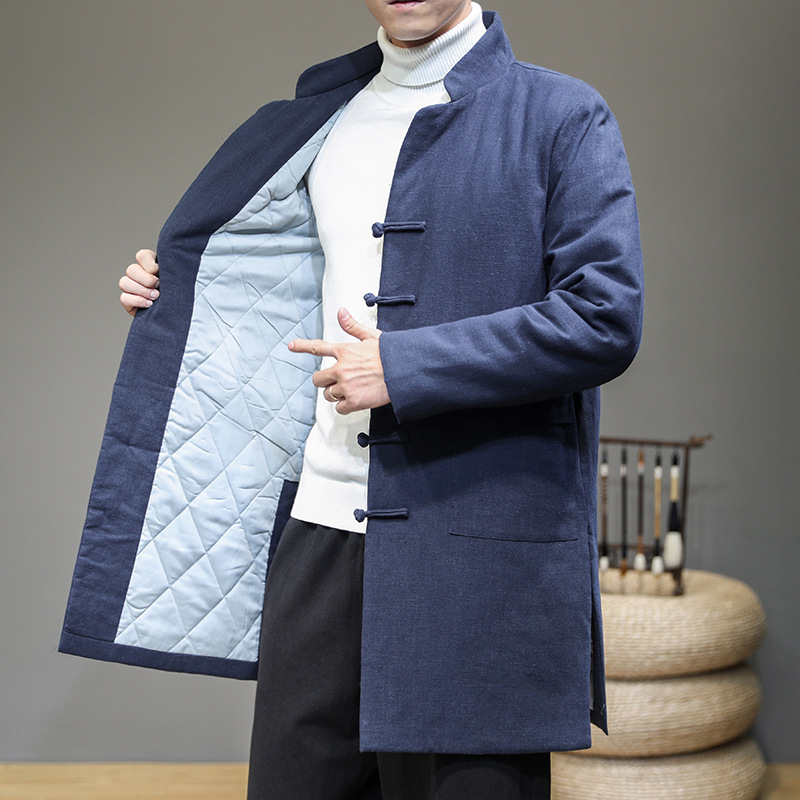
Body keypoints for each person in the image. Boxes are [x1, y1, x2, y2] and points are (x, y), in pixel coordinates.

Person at [63, 2, 644, 798]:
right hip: (322, 530)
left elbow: (602, 318)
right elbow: (285, 286)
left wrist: (404, 366)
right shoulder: (315, 119)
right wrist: (181, 296)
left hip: (476, 546)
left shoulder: (561, 114)